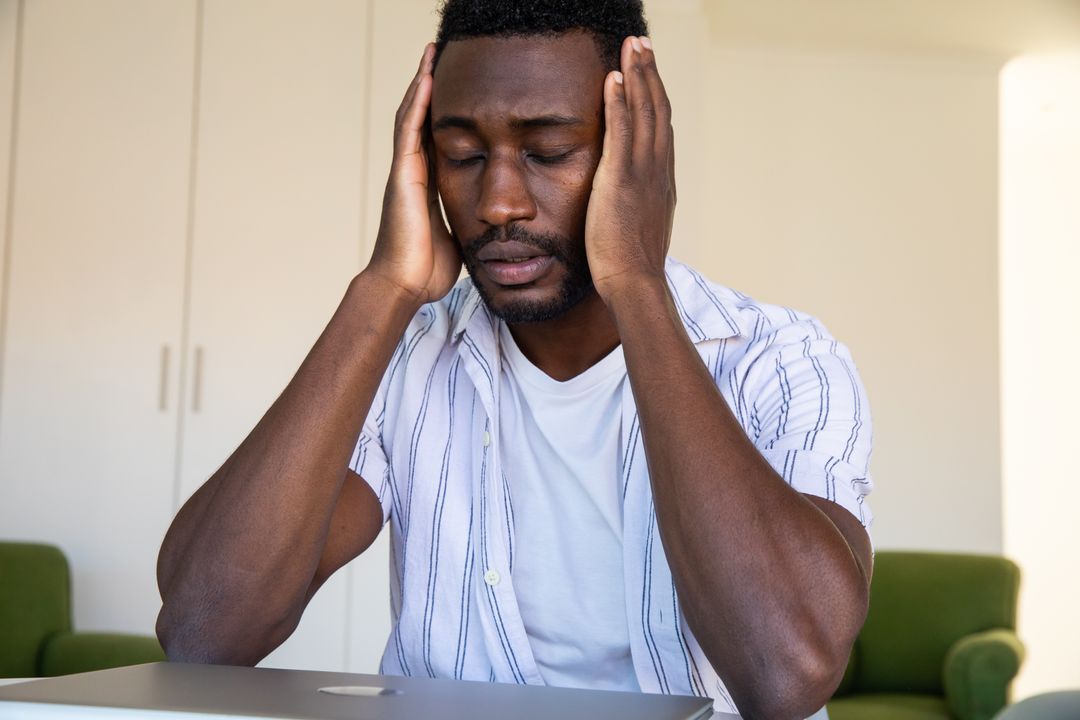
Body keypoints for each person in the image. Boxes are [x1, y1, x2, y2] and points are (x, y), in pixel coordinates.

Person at [155, 2, 874, 718]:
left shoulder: (783, 362)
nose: (498, 203)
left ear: (640, 153)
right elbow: (205, 631)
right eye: (462, 155)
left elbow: (786, 675)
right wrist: (384, 289)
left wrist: (636, 282)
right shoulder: (404, 356)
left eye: (549, 151)